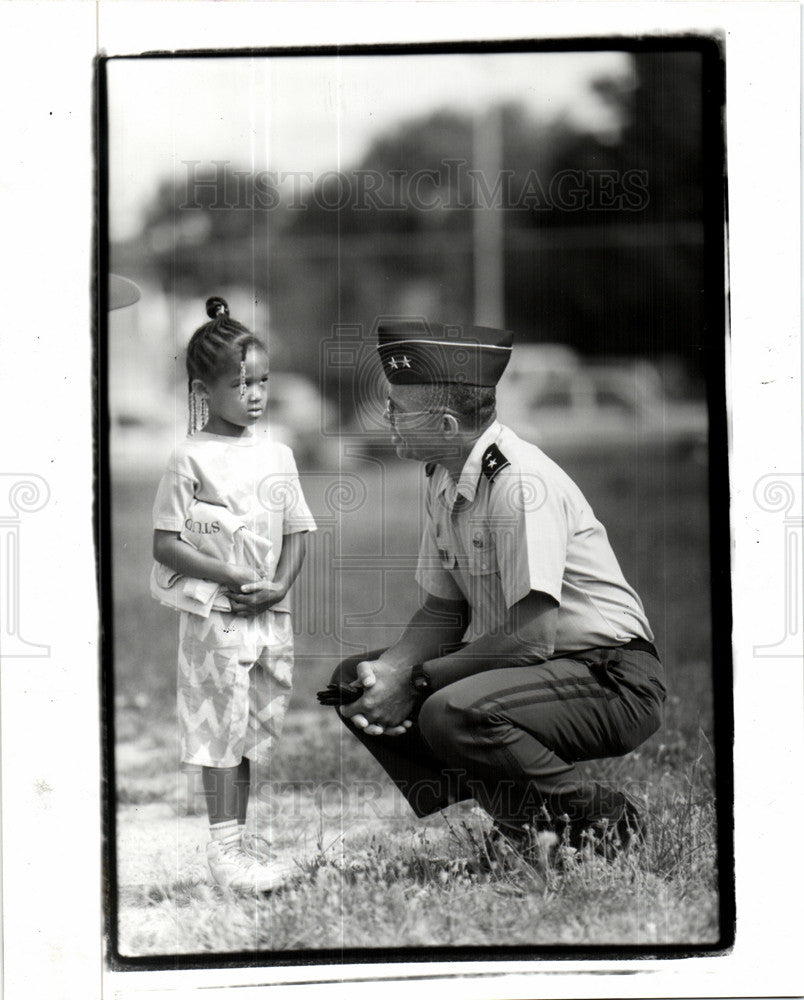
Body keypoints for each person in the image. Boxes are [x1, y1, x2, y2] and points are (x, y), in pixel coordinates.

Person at [328, 319, 665, 862]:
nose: (385, 418)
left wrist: (414, 681)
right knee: (354, 682)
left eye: (396, 408)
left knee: (451, 710)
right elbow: (443, 609)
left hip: (611, 676)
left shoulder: (518, 484)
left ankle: (601, 821)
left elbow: (530, 637)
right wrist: (389, 670)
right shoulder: (444, 475)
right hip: (545, 668)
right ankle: (524, 826)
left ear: (444, 421)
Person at [151, 296, 316, 892]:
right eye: (239, 382)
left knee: (251, 727)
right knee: (219, 725)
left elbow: (299, 532)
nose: (254, 393)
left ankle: (237, 844)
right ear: (204, 389)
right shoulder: (188, 457)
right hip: (216, 615)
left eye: (262, 381)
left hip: (268, 614)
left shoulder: (279, 454)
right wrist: (231, 579)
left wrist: (277, 589)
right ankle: (226, 852)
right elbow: (166, 544)